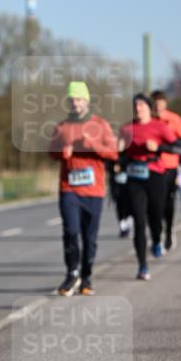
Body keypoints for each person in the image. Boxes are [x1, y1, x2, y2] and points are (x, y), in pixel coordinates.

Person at [48, 81, 118, 295]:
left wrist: (94, 146)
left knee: (89, 237)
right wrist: (62, 153)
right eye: (71, 100)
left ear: (86, 101)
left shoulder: (101, 124)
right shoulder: (61, 127)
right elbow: (51, 152)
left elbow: (114, 153)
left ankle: (87, 276)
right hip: (69, 188)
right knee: (70, 231)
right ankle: (72, 273)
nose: (75, 104)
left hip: (94, 190)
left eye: (78, 99)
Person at [119, 94, 177, 280]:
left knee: (156, 215)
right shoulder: (127, 128)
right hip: (134, 176)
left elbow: (177, 148)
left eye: (142, 105)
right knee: (139, 220)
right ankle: (142, 265)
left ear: (149, 107)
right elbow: (117, 154)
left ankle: (157, 239)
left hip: (155, 175)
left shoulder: (160, 126)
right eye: (135, 105)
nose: (138, 108)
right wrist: (119, 152)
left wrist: (158, 148)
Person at [150, 90, 181, 251]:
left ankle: (169, 230)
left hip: (170, 165)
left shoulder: (174, 119)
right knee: (153, 203)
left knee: (167, 202)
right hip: (152, 166)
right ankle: (156, 235)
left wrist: (166, 147)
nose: (158, 106)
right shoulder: (147, 120)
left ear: (165, 103)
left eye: (160, 103)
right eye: (155, 103)